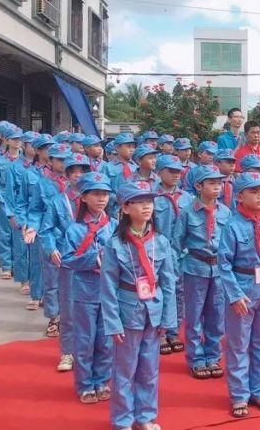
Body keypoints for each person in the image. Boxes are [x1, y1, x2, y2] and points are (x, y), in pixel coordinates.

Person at [101, 181, 177, 430]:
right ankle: (122, 420)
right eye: (140, 202)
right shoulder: (115, 245)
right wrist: (113, 322)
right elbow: (108, 287)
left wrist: (168, 319)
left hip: (153, 312)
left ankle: (145, 417)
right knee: (124, 370)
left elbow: (168, 284)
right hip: (127, 312)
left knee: (149, 368)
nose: (147, 206)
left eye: (150, 201)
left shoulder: (161, 242)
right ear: (125, 208)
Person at [217, 172, 260, 418]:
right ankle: (239, 395)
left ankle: (259, 390)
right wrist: (235, 295)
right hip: (243, 292)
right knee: (238, 345)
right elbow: (224, 264)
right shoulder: (232, 226)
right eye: (253, 191)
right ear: (240, 196)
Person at [63, 172, 117, 404]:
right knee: (85, 340)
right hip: (85, 290)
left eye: (105, 194)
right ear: (83, 197)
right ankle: (85, 384)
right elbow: (68, 259)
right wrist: (95, 257)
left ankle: (102, 381)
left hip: (109, 291)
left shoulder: (114, 226)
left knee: (106, 340)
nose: (101, 199)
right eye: (96, 194)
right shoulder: (74, 229)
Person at [174, 164, 231, 379]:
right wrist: (179, 267)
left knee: (216, 316)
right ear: (199, 186)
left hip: (218, 269)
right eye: (212, 183)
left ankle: (213, 356)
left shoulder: (225, 211)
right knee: (194, 316)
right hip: (195, 268)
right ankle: (196, 358)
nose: (217, 187)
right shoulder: (187, 213)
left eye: (219, 183)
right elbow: (177, 242)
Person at [39, 152, 91, 372]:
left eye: (82, 171)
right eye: (73, 172)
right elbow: (47, 229)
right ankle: (68, 353)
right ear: (67, 175)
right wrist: (51, 248)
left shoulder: (96, 199)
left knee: (93, 310)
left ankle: (90, 353)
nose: (78, 176)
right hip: (68, 261)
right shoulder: (58, 201)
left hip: (93, 262)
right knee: (69, 310)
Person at [29, 143, 73, 338]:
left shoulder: (78, 184)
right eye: (60, 160)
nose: (63, 164)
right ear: (51, 161)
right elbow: (36, 209)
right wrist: (32, 227)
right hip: (51, 236)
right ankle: (54, 317)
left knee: (74, 280)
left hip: (74, 238)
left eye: (66, 159)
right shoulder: (43, 183)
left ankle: (70, 317)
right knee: (52, 280)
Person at [152, 155, 194, 355]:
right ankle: (158, 332)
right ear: (159, 172)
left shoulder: (187, 198)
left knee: (178, 291)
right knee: (158, 290)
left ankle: (173, 330)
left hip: (182, 252)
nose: (176, 175)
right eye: (171, 171)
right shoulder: (150, 196)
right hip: (158, 251)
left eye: (178, 171)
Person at [18, 133, 54, 310]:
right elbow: (23, 201)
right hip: (37, 220)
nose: (50, 151)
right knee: (37, 259)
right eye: (46, 148)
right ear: (38, 151)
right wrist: (24, 221)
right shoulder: (29, 174)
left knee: (55, 262)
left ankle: (51, 297)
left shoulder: (60, 173)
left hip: (56, 223)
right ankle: (36, 293)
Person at [5, 130, 39, 294]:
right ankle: (24, 280)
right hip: (21, 211)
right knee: (22, 248)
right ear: (25, 146)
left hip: (38, 214)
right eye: (32, 144)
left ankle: (36, 282)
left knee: (37, 252)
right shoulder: (15, 166)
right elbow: (10, 192)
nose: (35, 147)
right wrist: (12, 214)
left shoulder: (42, 167)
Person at [0, 126, 23, 279]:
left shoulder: (26, 162)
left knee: (19, 234)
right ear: (7, 140)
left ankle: (18, 265)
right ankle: (7, 265)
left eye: (20, 139)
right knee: (4, 233)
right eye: (14, 139)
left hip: (21, 200)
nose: (18, 142)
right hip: (3, 199)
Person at [234, 121, 260, 187]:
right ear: (245, 134)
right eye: (253, 133)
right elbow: (237, 174)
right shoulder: (240, 153)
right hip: (249, 189)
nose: (256, 135)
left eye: (258, 132)